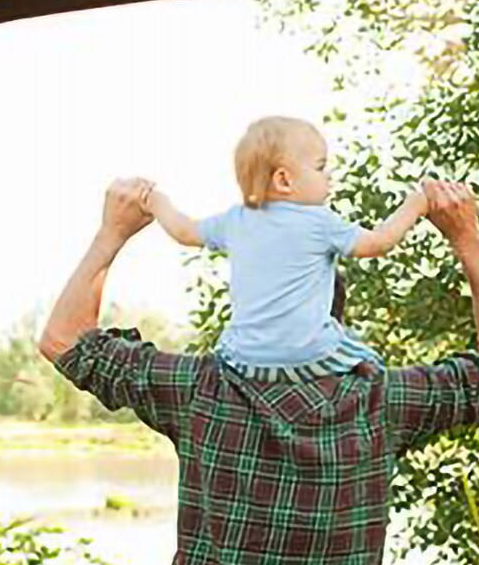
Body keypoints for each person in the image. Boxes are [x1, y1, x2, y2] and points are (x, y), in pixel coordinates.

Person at [39, 178, 479, 565]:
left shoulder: (198, 392)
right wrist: (467, 238)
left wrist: (112, 233)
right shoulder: (379, 403)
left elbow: (63, 339)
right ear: (334, 322)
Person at [142, 116, 428, 379]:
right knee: (367, 358)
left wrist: (155, 201)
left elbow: (184, 231)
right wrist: (416, 204)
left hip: (245, 361)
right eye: (320, 167)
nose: (328, 175)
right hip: (312, 355)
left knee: (227, 344)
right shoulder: (318, 221)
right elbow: (378, 243)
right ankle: (359, 372)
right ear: (284, 180)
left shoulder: (235, 219)